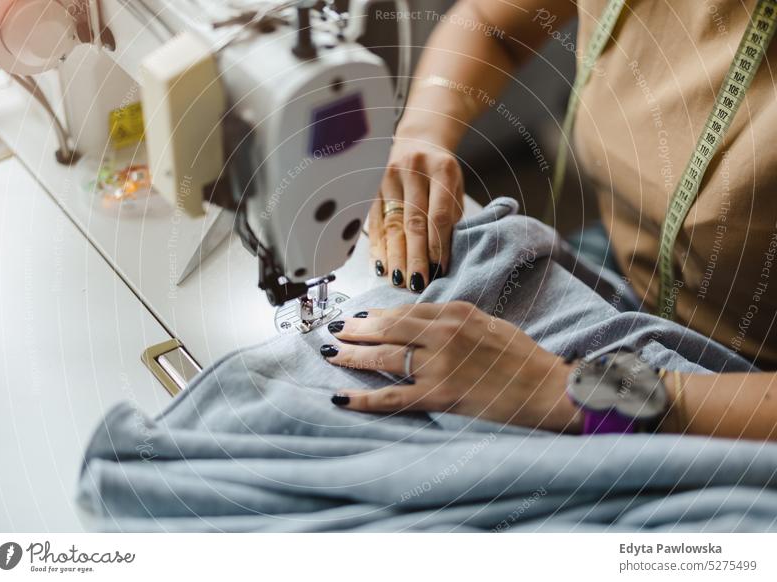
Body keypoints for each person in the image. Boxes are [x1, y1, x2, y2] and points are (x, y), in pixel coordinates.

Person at [321, 0, 777, 440]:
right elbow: (490, 23)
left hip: (738, 393)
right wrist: (424, 130)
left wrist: (571, 393)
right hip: (625, 274)